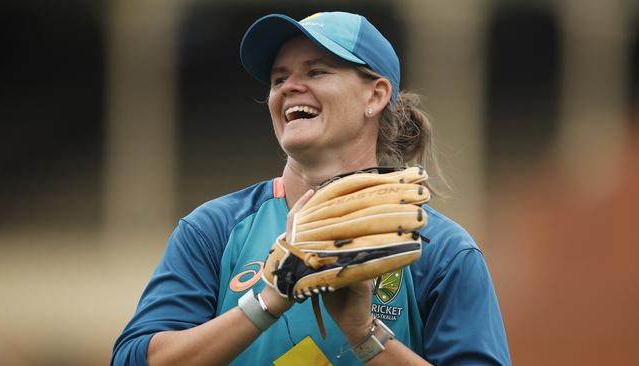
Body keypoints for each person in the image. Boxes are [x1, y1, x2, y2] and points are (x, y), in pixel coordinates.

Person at [112, 11, 511, 365]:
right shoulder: (213, 229)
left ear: (375, 95)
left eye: (316, 71)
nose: (289, 87)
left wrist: (362, 333)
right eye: (278, 78)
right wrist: (269, 301)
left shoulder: (440, 249)